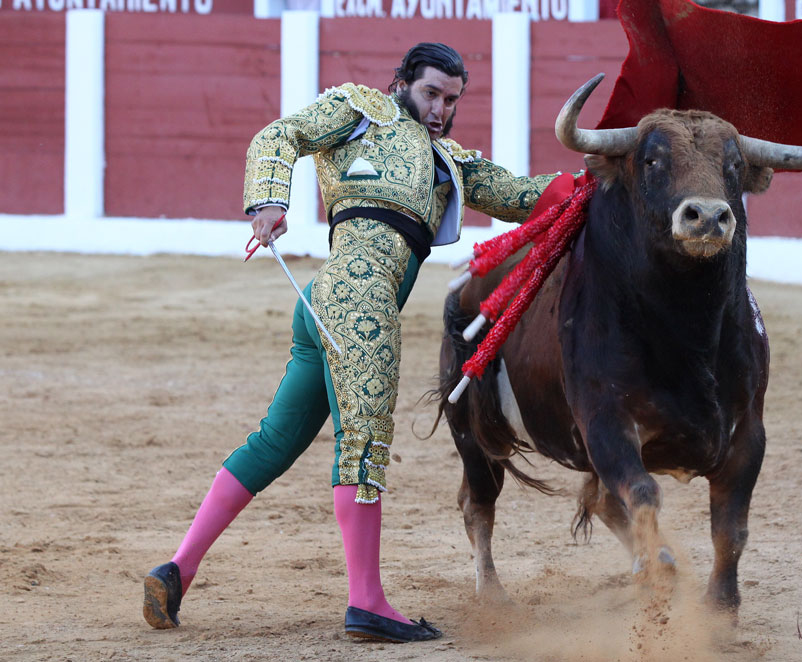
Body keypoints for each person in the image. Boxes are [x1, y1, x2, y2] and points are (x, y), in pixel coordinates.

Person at [141, 42, 558, 643]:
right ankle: (366, 601)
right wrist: (270, 200)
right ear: (402, 82)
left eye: (451, 100)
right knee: (363, 443)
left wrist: (600, 184)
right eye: (430, 93)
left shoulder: (452, 163)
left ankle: (177, 568)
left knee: (275, 440)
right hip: (358, 305)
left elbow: (523, 195)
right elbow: (278, 136)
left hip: (324, 305)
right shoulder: (360, 110)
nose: (440, 109)